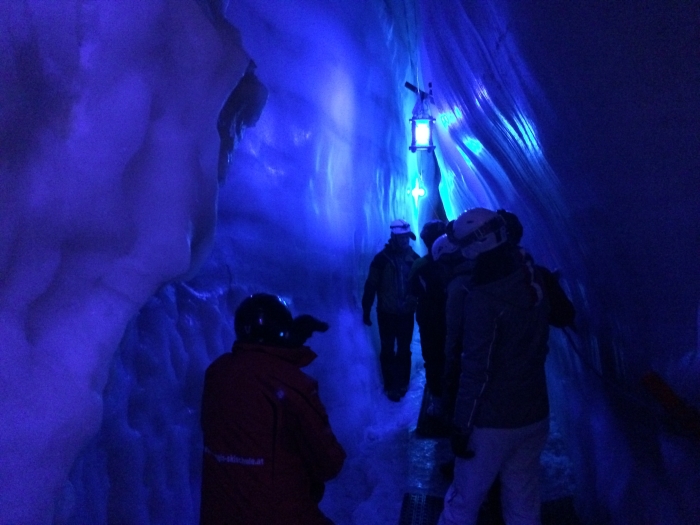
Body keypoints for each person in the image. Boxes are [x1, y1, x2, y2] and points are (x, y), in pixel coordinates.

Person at [438, 208, 552, 525]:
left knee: (463, 503)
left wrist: (461, 426)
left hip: (491, 422)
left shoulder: (483, 298)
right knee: (522, 501)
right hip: (534, 413)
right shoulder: (533, 278)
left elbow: (477, 370)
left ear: (476, 247)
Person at [200, 293, 346, 525]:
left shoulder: (216, 373)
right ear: (282, 331)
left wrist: (284, 341)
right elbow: (329, 463)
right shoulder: (292, 384)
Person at [362, 219, 420, 401]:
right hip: (386, 313)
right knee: (388, 349)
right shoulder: (381, 260)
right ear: (394, 237)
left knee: (404, 349)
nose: (405, 241)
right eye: (402, 238)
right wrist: (366, 308)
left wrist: (417, 301)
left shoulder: (414, 260)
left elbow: (421, 286)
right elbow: (371, 285)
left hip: (406, 313)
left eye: (407, 238)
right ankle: (390, 385)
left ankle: (402, 383)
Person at [408, 220, 448, 399]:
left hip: (429, 320)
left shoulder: (420, 265)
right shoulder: (459, 262)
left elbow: (412, 292)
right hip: (449, 321)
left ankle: (436, 397)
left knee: (432, 359)